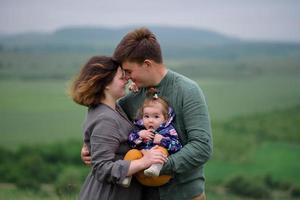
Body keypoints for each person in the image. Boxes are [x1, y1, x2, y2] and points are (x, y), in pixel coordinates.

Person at [81, 27, 213, 200]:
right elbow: (108, 125)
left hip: (185, 195)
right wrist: (89, 145)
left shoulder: (187, 91)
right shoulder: (129, 100)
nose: (126, 78)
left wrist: (157, 164)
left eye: (128, 71)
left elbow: (202, 147)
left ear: (147, 64)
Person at [70, 56, 167, 200]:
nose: (127, 80)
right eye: (122, 77)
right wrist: (144, 162)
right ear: (106, 83)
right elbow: (102, 169)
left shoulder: (111, 108)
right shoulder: (106, 118)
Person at [123, 88, 182, 186]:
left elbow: (178, 147)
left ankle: (155, 168)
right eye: (147, 116)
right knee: (132, 152)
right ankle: (126, 176)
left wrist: (162, 141)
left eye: (156, 117)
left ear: (165, 118)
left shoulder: (168, 130)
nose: (150, 120)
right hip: (141, 174)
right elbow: (130, 142)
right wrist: (139, 136)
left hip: (160, 176)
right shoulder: (140, 129)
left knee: (160, 150)